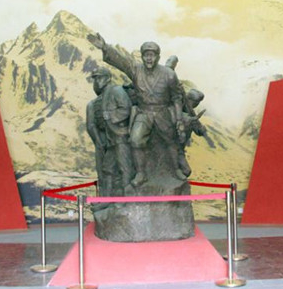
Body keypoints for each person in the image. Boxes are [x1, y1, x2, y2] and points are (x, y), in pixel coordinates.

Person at [87, 33, 185, 186]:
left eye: (152, 55)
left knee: (171, 140)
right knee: (135, 140)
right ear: (142, 57)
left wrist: (178, 120)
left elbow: (176, 98)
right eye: (146, 55)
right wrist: (105, 47)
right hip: (144, 112)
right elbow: (121, 61)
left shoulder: (169, 75)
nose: (149, 59)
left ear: (158, 57)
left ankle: (176, 169)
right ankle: (141, 173)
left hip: (162, 112)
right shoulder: (136, 69)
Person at [85, 67, 133, 196]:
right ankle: (107, 199)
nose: (97, 81)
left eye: (99, 78)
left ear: (107, 78)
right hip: (112, 139)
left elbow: (126, 109)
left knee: (125, 168)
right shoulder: (100, 98)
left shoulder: (116, 90)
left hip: (121, 137)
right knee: (108, 169)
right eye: (95, 79)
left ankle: (128, 198)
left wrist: (110, 116)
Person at [177, 89, 208, 177]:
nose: (196, 105)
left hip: (179, 150)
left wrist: (202, 129)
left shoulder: (190, 112)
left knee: (186, 171)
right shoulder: (176, 109)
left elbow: (199, 130)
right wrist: (190, 119)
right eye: (196, 102)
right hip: (167, 148)